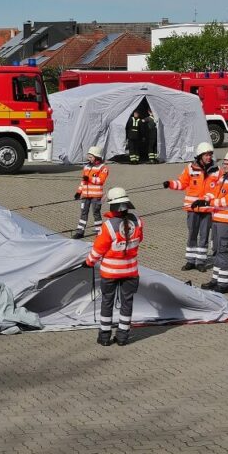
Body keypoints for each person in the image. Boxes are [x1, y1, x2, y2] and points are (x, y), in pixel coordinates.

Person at [84, 187, 144, 346]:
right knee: (127, 303)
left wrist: (88, 262)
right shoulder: (138, 221)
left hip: (110, 273)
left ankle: (104, 337)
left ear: (112, 206)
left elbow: (98, 249)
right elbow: (140, 240)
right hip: (131, 272)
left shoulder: (108, 226)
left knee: (107, 302)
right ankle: (123, 337)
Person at [193, 150, 228, 294]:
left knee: (223, 251)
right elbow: (214, 192)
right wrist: (203, 199)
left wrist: (209, 202)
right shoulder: (223, 178)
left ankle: (224, 285)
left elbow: (226, 201)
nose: (224, 166)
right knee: (216, 250)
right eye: (224, 163)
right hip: (217, 219)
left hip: (227, 222)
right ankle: (216, 280)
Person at [164, 141, 217, 271]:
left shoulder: (216, 170)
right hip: (192, 209)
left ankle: (200, 262)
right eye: (206, 155)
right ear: (199, 156)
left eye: (210, 155)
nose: (208, 157)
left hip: (207, 208)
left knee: (204, 235)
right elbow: (181, 183)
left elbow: (217, 189)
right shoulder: (190, 168)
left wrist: (206, 200)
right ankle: (190, 261)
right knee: (192, 234)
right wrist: (170, 184)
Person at [73, 146, 109, 239]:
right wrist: (78, 192)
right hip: (85, 195)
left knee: (96, 213)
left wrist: (89, 178)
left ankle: (99, 232)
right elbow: (83, 181)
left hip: (96, 196)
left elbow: (101, 180)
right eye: (88, 156)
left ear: (97, 157)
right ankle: (80, 232)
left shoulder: (103, 167)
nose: (88, 158)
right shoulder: (86, 167)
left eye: (90, 157)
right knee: (83, 213)